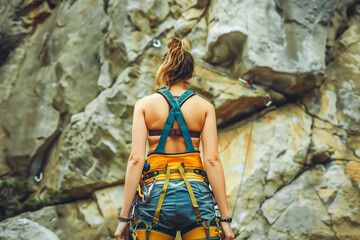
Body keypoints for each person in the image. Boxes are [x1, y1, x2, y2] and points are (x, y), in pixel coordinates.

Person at [113, 37, 234, 240]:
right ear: (190, 73)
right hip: (196, 195)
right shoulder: (205, 108)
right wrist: (225, 220)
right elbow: (212, 160)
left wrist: (124, 219)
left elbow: (136, 159)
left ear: (164, 70)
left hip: (154, 195)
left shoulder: (144, 105)